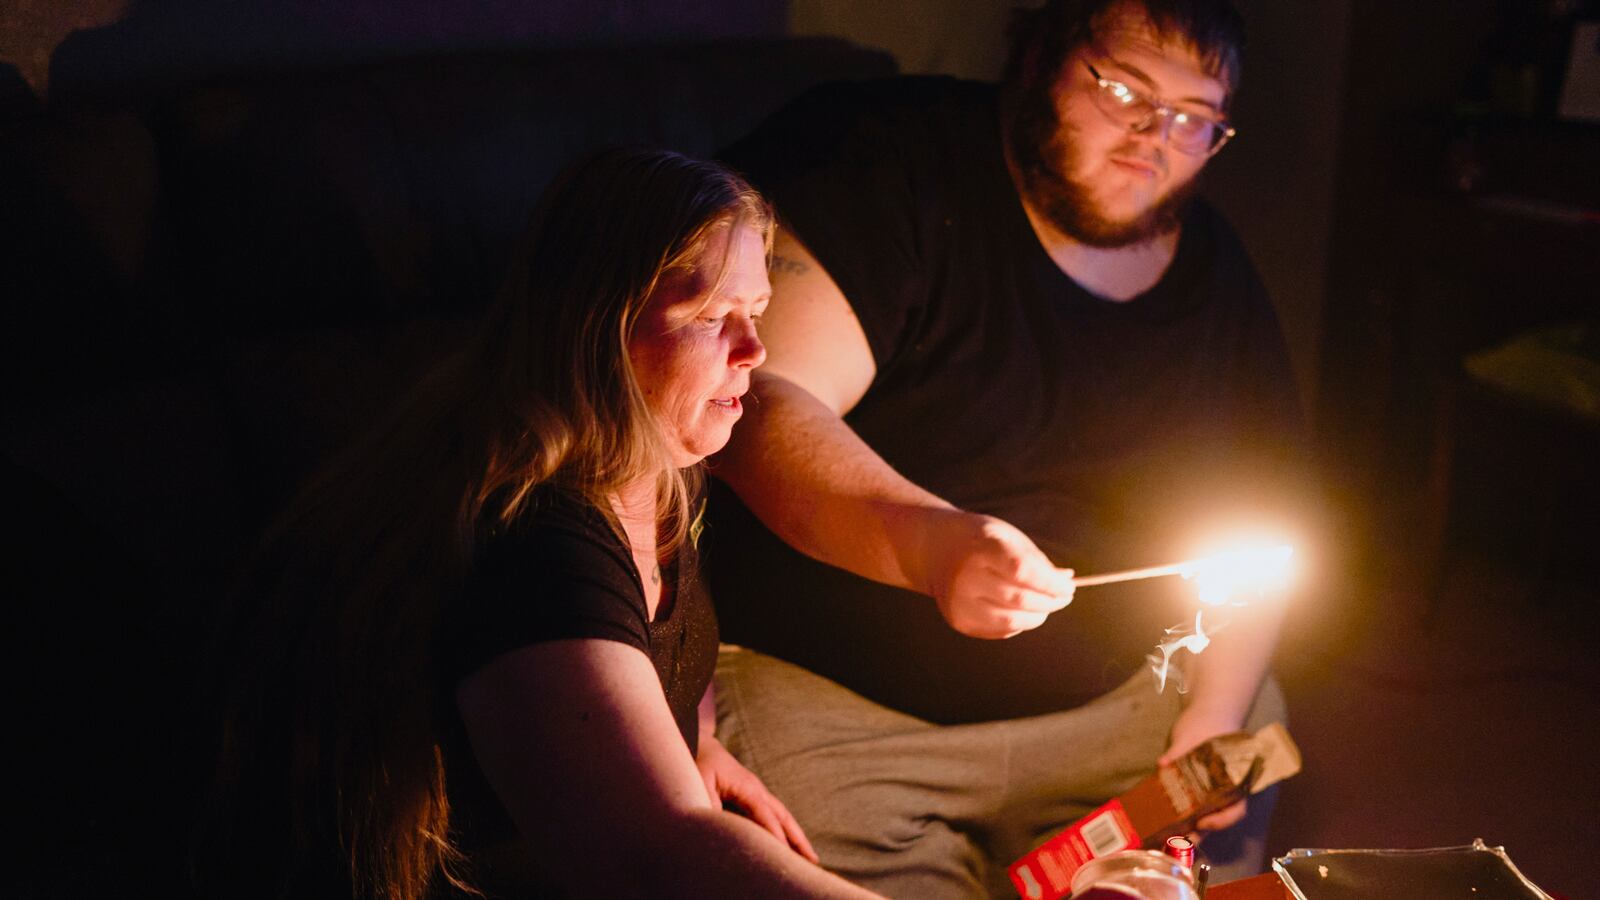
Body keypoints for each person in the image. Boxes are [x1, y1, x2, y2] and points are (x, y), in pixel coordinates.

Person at [703, 0, 1309, 895]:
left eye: (1194, 118)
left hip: (1121, 718)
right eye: (1123, 88)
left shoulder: (1215, 275)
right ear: (1039, 59)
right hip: (841, 722)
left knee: (1246, 736)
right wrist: (934, 544)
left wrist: (1213, 720)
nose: (1153, 135)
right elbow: (761, 404)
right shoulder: (883, 162)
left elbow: (1272, 512)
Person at [197, 148, 885, 900]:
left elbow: (660, 647)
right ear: (599, 321)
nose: (755, 351)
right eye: (712, 316)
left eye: (753, 313)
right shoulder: (533, 539)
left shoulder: (654, 457)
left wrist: (694, 743)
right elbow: (657, 858)